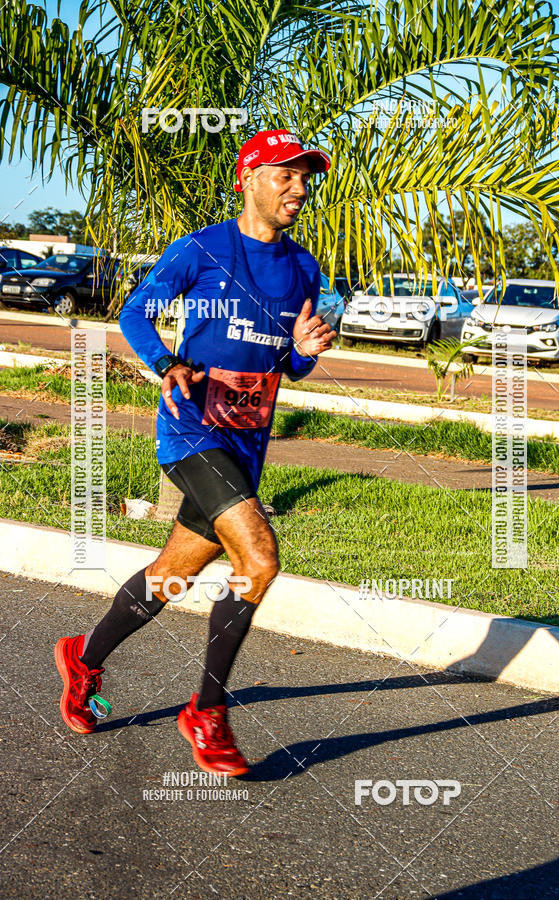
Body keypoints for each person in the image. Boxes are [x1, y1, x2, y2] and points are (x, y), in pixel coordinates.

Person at [55, 129, 335, 777]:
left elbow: (289, 363)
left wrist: (307, 351)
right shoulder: (202, 249)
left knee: (171, 574)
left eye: (305, 178)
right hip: (190, 430)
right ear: (248, 178)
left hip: (247, 441)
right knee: (259, 558)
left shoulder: (303, 267)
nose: (299, 188)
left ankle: (84, 657)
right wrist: (167, 363)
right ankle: (207, 711)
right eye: (285, 175)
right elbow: (135, 314)